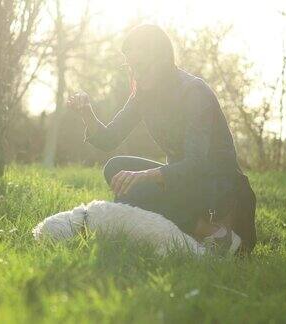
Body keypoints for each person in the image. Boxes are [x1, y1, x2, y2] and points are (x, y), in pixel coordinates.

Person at [66, 24, 256, 255]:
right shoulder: (144, 96)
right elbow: (108, 139)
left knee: (136, 190)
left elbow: (197, 164)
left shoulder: (194, 92)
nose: (136, 73)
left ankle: (216, 233)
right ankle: (184, 227)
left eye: (142, 66)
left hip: (217, 187)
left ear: (162, 58)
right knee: (116, 169)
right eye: (132, 67)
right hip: (183, 182)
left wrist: (145, 176)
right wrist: (87, 113)